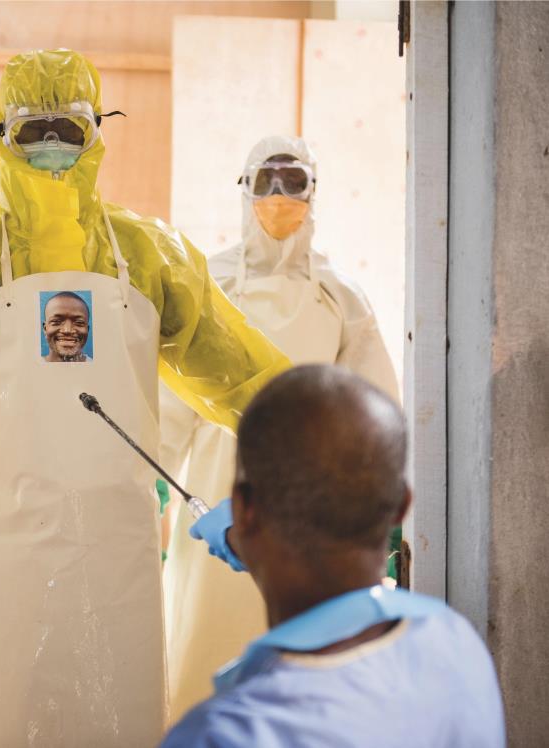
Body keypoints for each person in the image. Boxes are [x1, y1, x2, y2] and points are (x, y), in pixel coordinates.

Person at [0, 49, 290, 747]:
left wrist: (333, 480)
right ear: (1, 139)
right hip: (5, 569)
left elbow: (250, 382)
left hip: (121, 565)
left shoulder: (153, 259)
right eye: (32, 130)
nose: (51, 146)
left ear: (96, 134)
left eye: (69, 129)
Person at [160, 134, 399, 720]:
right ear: (244, 190)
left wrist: (383, 511)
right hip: (219, 485)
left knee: (304, 647)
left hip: (314, 489)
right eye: (265, 181)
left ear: (314, 192)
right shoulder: (208, 282)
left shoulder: (339, 295)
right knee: (206, 637)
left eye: (293, 182)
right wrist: (155, 486)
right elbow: (171, 401)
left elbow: (373, 406)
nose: (278, 196)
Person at [162, 365, 505, 747]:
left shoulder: (223, 734)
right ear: (401, 506)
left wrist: (249, 535)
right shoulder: (456, 642)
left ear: (243, 508)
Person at [42, 291, 91, 362]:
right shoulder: (30, 369)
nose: (67, 330)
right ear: (45, 329)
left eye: (79, 322)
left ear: (87, 329)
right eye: (56, 322)